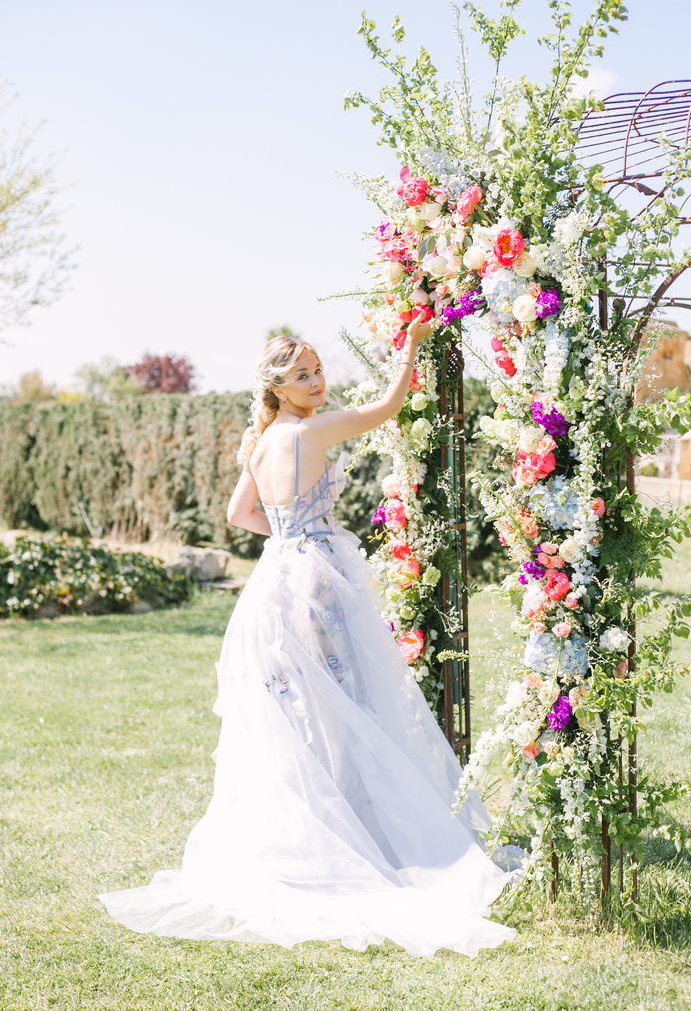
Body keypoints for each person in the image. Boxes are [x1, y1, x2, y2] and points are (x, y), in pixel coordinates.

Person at [100, 314, 517, 957]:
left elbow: (239, 514)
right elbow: (388, 406)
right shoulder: (313, 429)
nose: (318, 381)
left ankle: (316, 832)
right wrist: (411, 344)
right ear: (279, 386)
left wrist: (290, 537)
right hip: (317, 583)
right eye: (303, 375)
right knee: (346, 704)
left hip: (273, 584)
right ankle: (350, 834)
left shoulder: (261, 440)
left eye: (319, 370)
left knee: (299, 714)